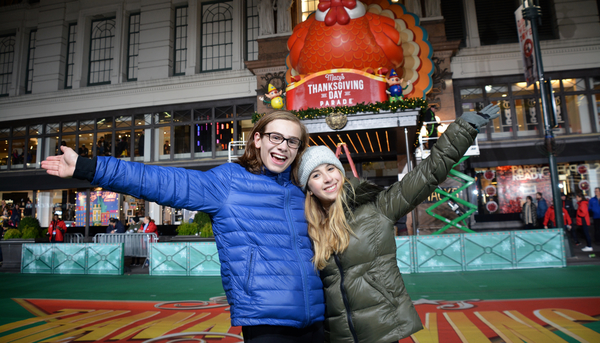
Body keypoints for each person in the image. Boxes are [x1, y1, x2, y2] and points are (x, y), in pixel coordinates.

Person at [41, 110, 325, 343]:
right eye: (276, 137)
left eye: (292, 141)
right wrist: (91, 168)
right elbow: (163, 182)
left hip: (317, 319)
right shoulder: (228, 183)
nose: (283, 146)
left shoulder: (303, 189)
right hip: (267, 321)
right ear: (258, 140)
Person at [297, 104, 499, 343]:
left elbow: (428, 173)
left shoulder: (378, 207)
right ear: (308, 188)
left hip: (383, 328)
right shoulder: (308, 227)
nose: (327, 178)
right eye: (316, 175)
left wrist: (464, 128)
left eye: (331, 168)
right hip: (339, 336)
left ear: (341, 173)